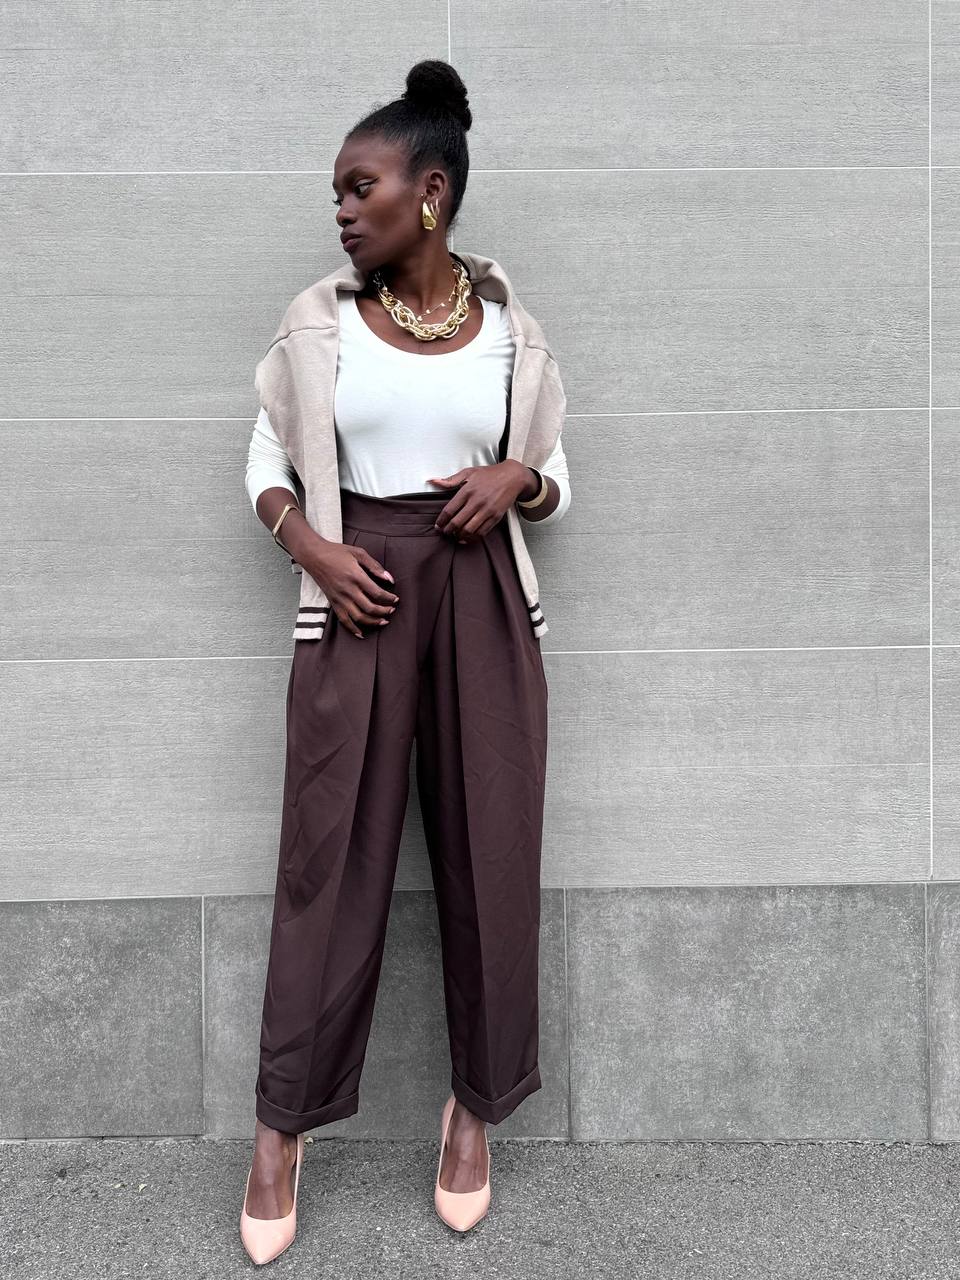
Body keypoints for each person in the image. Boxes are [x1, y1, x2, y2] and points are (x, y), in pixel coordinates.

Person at [239, 59, 571, 1263]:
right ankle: (281, 1128)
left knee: (492, 858)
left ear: (429, 194)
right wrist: (316, 551)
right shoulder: (318, 325)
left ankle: (473, 1108)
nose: (341, 208)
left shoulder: (514, 337)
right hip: (359, 601)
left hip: (481, 602)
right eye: (338, 190)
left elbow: (556, 475)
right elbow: (264, 463)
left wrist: (516, 477)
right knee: (327, 866)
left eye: (359, 186)